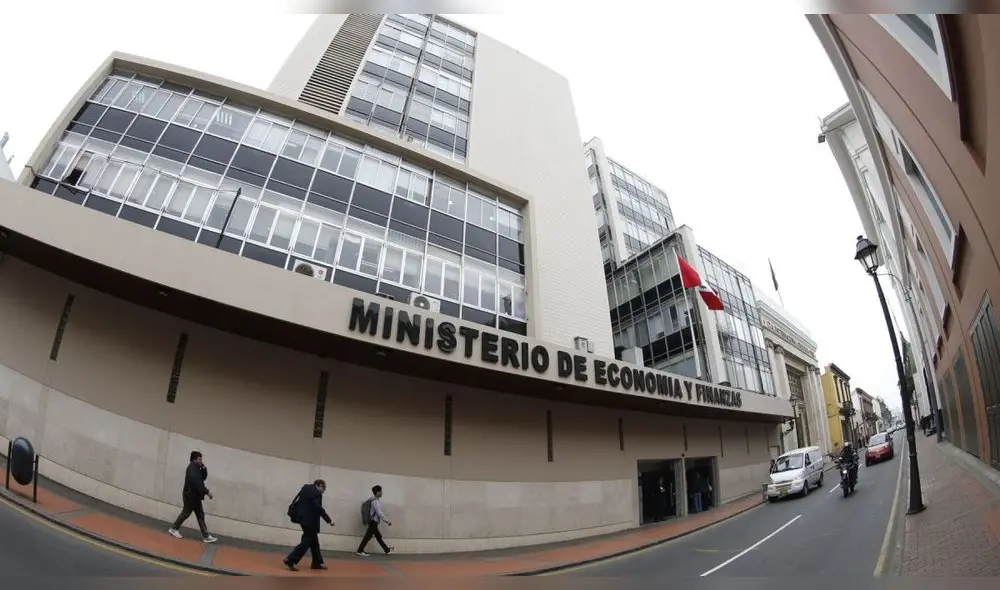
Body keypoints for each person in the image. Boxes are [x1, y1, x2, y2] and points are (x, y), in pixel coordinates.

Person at [284, 479, 334, 571]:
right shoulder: (317, 493)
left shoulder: (305, 488)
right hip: (310, 522)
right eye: (323, 488)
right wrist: (329, 520)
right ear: (319, 485)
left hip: (302, 519)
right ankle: (290, 560)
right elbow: (318, 508)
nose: (323, 491)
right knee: (306, 542)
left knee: (314, 542)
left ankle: (317, 562)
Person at [168, 451, 217, 543]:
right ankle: (174, 529)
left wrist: (204, 468)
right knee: (186, 513)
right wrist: (208, 492)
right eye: (199, 459)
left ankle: (206, 536)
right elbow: (198, 484)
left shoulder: (197, 468)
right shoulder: (191, 469)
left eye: (201, 459)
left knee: (200, 515)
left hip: (195, 496)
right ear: (194, 459)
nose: (201, 461)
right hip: (190, 496)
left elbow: (203, 478)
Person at [357, 485, 394, 557]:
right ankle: (360, 550)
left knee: (378, 537)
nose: (382, 493)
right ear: (377, 492)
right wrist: (387, 521)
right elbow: (379, 513)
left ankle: (387, 550)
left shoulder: (373, 500)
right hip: (373, 522)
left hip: (374, 522)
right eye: (381, 491)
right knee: (368, 537)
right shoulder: (375, 502)